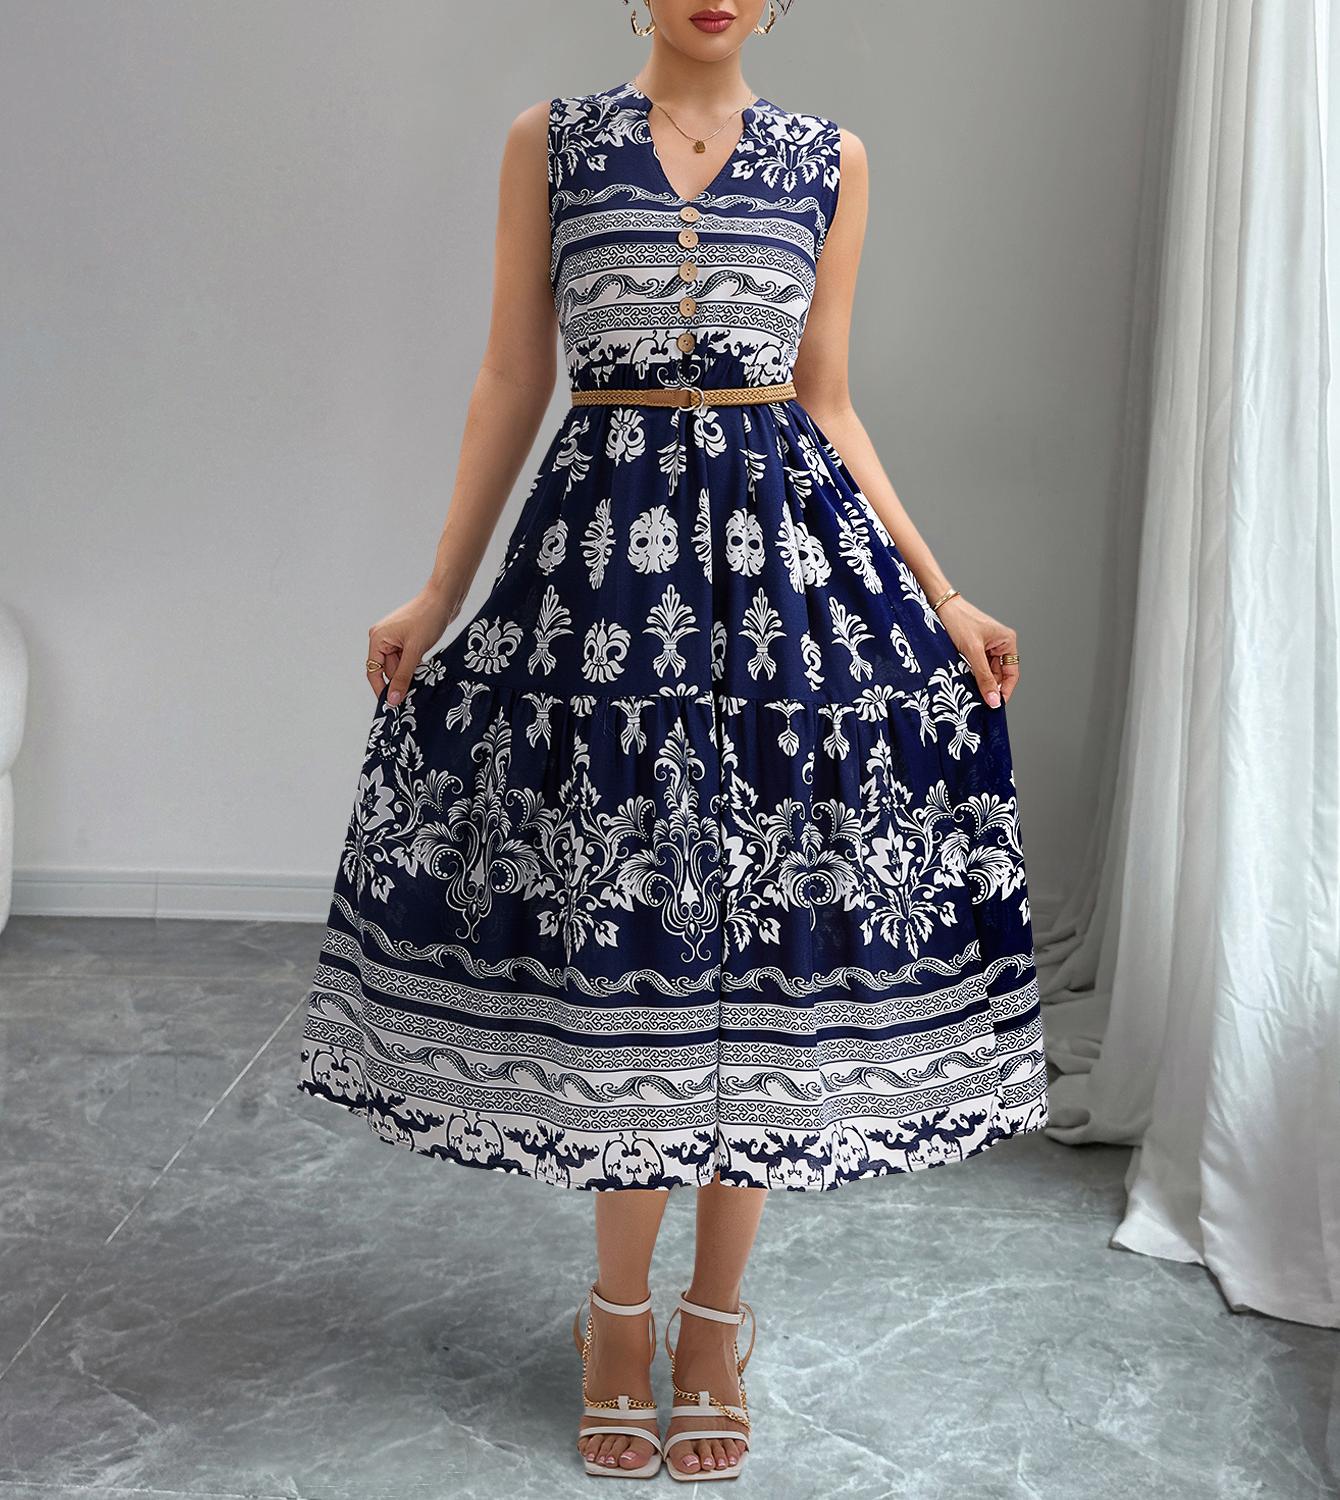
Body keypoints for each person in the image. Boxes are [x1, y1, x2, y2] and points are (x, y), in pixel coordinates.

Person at [296, 0, 1049, 1481]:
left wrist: (944, 591)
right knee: (628, 951)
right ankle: (616, 1318)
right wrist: (440, 588)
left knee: (758, 961)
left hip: (786, 604)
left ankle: (715, 1322)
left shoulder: (831, 158)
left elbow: (825, 401)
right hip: (602, 598)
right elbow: (515, 376)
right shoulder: (552, 144)